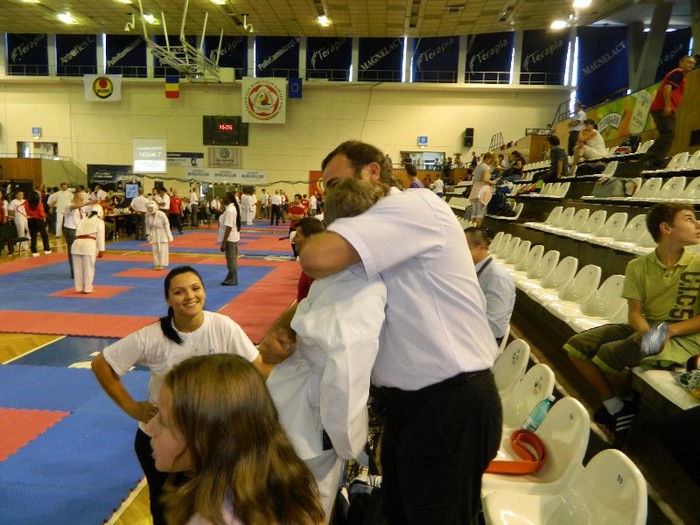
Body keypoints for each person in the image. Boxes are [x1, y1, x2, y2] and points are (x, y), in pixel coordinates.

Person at [261, 140, 501, 524]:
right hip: (412, 405)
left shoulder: (411, 207)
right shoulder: (377, 230)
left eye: (337, 182)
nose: (331, 194)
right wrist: (283, 324)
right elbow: (328, 295)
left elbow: (313, 258)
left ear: (372, 172)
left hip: (451, 399)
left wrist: (348, 441)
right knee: (399, 514)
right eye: (326, 187)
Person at [91, 266, 270, 525]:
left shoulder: (223, 326)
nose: (189, 296)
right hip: (162, 439)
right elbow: (102, 364)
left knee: (214, 506)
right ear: (168, 300)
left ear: (204, 292)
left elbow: (257, 370)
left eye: (195, 288)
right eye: (179, 292)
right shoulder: (152, 336)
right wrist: (131, 407)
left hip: (212, 437)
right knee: (166, 508)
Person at [267, 178, 388, 517]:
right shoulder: (362, 289)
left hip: (292, 407)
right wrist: (353, 447)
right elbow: (344, 381)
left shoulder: (335, 274)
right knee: (309, 510)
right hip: (313, 427)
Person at [563, 202, 700, 447]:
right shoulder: (638, 266)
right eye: (689, 219)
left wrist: (667, 331)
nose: (697, 224)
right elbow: (635, 313)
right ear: (666, 228)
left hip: (685, 335)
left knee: (609, 354)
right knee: (576, 346)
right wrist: (648, 332)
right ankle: (618, 405)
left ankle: (622, 406)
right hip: (651, 327)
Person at [147, 354, 324, 525]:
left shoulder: (214, 518)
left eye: (163, 421)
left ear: (207, 439)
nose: (149, 428)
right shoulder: (284, 483)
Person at [643, 55, 697, 169]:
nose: (691, 65)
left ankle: (653, 159)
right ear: (681, 63)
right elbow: (668, 87)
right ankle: (653, 158)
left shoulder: (679, 75)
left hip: (662, 107)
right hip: (663, 107)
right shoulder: (678, 72)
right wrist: (667, 105)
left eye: (693, 63)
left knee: (667, 134)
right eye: (689, 62)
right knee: (669, 133)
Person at [464, 227, 515, 345]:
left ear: (482, 247)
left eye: (465, 249)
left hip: (480, 344)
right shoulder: (471, 269)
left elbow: (493, 329)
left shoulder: (498, 279)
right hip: (468, 332)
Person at [72, 204, 106, 293]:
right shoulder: (99, 221)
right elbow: (100, 237)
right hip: (89, 245)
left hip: (76, 244)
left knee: (77, 269)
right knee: (88, 268)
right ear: (100, 212)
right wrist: (101, 250)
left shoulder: (83, 219)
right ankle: (87, 288)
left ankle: (79, 288)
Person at [292, 217, 326, 301]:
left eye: (297, 236)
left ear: (311, 238)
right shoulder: (313, 262)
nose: (293, 240)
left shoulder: (318, 267)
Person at [63, 189, 91, 278]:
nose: (82, 201)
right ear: (74, 199)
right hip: (71, 230)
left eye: (83, 199)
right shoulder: (68, 206)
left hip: (81, 231)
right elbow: (75, 207)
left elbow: (92, 207)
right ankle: (74, 272)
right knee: (73, 251)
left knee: (81, 251)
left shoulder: (82, 208)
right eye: (80, 199)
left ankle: (80, 269)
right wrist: (86, 203)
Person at [468, 152, 497, 227]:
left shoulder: (478, 166)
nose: (491, 162)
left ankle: (471, 229)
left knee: (474, 212)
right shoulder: (486, 167)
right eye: (491, 160)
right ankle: (476, 230)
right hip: (482, 189)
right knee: (480, 213)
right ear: (488, 158)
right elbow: (485, 180)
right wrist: (493, 182)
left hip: (475, 189)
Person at [218, 192, 241, 286]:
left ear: (229, 199)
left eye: (225, 198)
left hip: (230, 238)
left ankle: (232, 279)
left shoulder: (230, 210)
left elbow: (229, 227)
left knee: (231, 260)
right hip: (232, 238)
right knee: (231, 259)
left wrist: (223, 243)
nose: (223, 199)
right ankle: (230, 277)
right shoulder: (229, 208)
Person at [22, 190, 51, 257]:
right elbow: (41, 213)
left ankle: (34, 251)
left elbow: (19, 208)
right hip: (39, 220)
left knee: (33, 236)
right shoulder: (39, 203)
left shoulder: (26, 202)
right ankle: (47, 249)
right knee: (44, 235)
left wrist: (26, 215)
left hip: (30, 220)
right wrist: (44, 216)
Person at [146, 201, 173, 271]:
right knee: (155, 249)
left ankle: (162, 264)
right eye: (149, 208)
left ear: (155, 207)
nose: (150, 209)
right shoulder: (148, 215)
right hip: (154, 233)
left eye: (151, 208)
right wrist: (148, 234)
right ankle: (157, 264)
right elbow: (148, 226)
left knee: (162, 249)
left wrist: (169, 235)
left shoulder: (161, 214)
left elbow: (166, 224)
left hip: (162, 232)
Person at [288, 194, 308, 258]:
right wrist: (297, 216)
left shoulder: (303, 207)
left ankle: (300, 253)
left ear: (300, 199)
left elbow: (301, 217)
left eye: (296, 198)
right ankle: (295, 254)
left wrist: (294, 215)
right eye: (294, 198)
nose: (295, 200)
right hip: (292, 226)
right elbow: (289, 216)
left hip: (300, 227)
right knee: (292, 240)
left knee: (300, 241)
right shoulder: (292, 207)